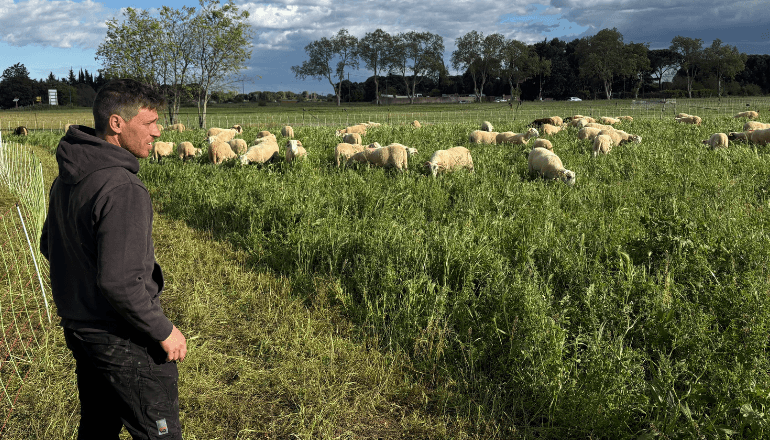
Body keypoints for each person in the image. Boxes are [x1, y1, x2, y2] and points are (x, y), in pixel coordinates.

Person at [40, 78, 186, 439]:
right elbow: (120, 281)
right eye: (149, 123)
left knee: (99, 425)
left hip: (81, 330)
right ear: (117, 124)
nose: (158, 131)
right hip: (121, 339)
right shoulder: (121, 186)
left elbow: (49, 245)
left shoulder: (70, 176)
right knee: (159, 432)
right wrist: (163, 330)